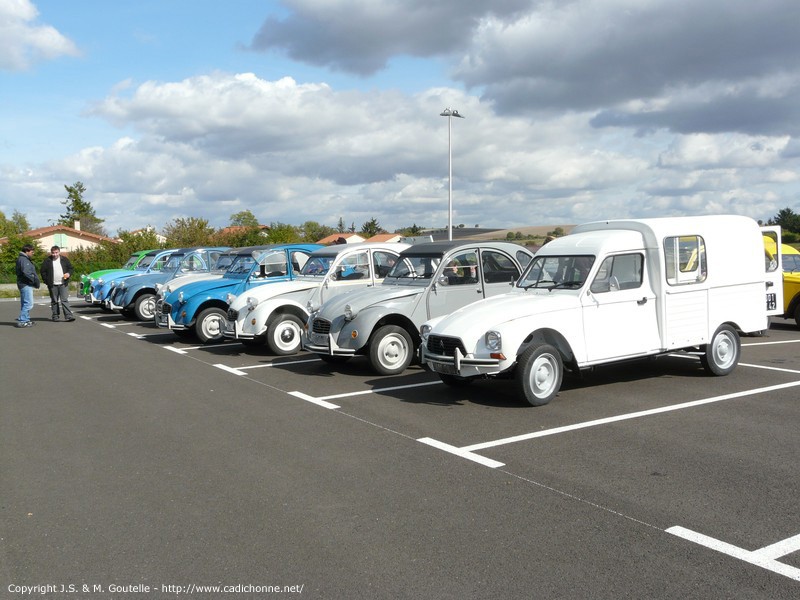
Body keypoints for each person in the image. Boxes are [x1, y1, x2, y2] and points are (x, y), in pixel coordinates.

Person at [40, 245, 75, 322]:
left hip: (63, 283)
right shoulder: (47, 261)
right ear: (51, 253)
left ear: (59, 252)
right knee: (54, 301)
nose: (55, 254)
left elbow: (71, 268)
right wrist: (46, 281)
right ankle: (55, 315)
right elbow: (43, 272)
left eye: (56, 253)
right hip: (52, 284)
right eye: (53, 253)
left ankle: (68, 316)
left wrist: (69, 273)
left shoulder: (64, 259)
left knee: (64, 300)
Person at [15, 244, 40, 327]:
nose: (33, 253)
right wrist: (34, 281)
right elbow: (26, 272)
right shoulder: (24, 259)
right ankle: (23, 320)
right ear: (27, 251)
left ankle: (26, 319)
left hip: (23, 283)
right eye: (32, 252)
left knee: (25, 303)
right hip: (25, 284)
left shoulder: (23, 259)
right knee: (29, 303)